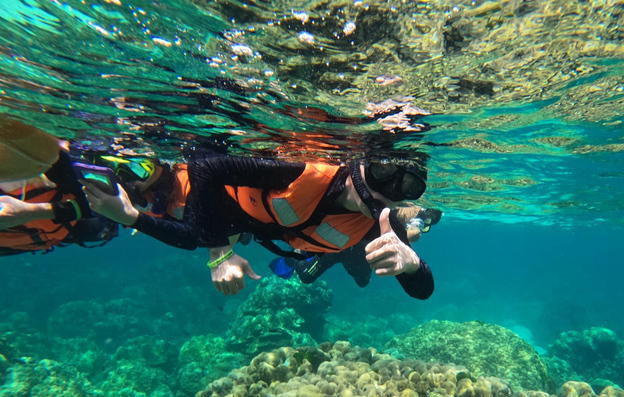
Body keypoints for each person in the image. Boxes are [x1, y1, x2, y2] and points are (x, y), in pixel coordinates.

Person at [84, 156, 435, 299]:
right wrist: (220, 252)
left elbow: (423, 291)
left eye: (403, 189)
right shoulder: (299, 170)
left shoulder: (381, 224)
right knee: (200, 233)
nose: (382, 191)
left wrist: (413, 263)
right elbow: (204, 168)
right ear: (360, 162)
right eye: (381, 173)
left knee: (354, 271)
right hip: (238, 210)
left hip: (269, 230)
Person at [0, 122, 119, 256]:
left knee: (107, 219)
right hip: (37, 234)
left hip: (81, 222)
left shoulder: (52, 158)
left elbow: (100, 206)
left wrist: (32, 212)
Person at [270, 205, 442, 288]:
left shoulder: (410, 217)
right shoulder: (402, 208)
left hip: (361, 252)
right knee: (306, 276)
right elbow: (408, 219)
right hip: (339, 246)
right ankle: (295, 253)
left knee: (363, 282)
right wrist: (412, 230)